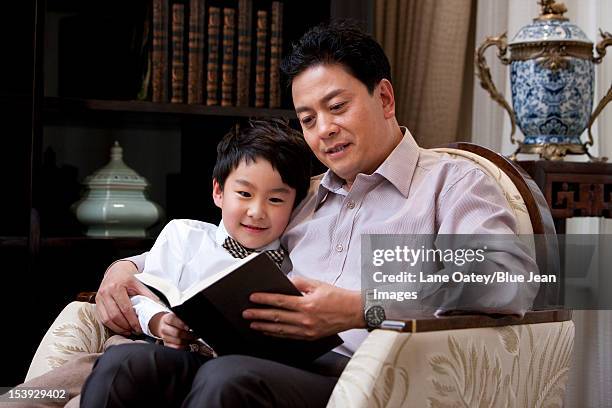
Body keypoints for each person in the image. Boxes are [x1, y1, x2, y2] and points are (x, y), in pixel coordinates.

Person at [84, 20, 537, 407]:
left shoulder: (452, 183)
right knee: (127, 363)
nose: (324, 131)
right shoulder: (305, 196)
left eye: (337, 107)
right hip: (260, 356)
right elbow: (219, 242)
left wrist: (360, 308)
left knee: (228, 380)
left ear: (384, 99)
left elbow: (511, 279)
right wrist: (125, 267)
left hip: (365, 378)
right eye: (307, 119)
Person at [131, 118, 310, 348]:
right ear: (219, 192)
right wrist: (160, 322)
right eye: (244, 194)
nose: (256, 212)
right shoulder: (184, 236)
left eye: (275, 200)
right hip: (173, 354)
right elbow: (141, 294)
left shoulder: (296, 261)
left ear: (294, 206)